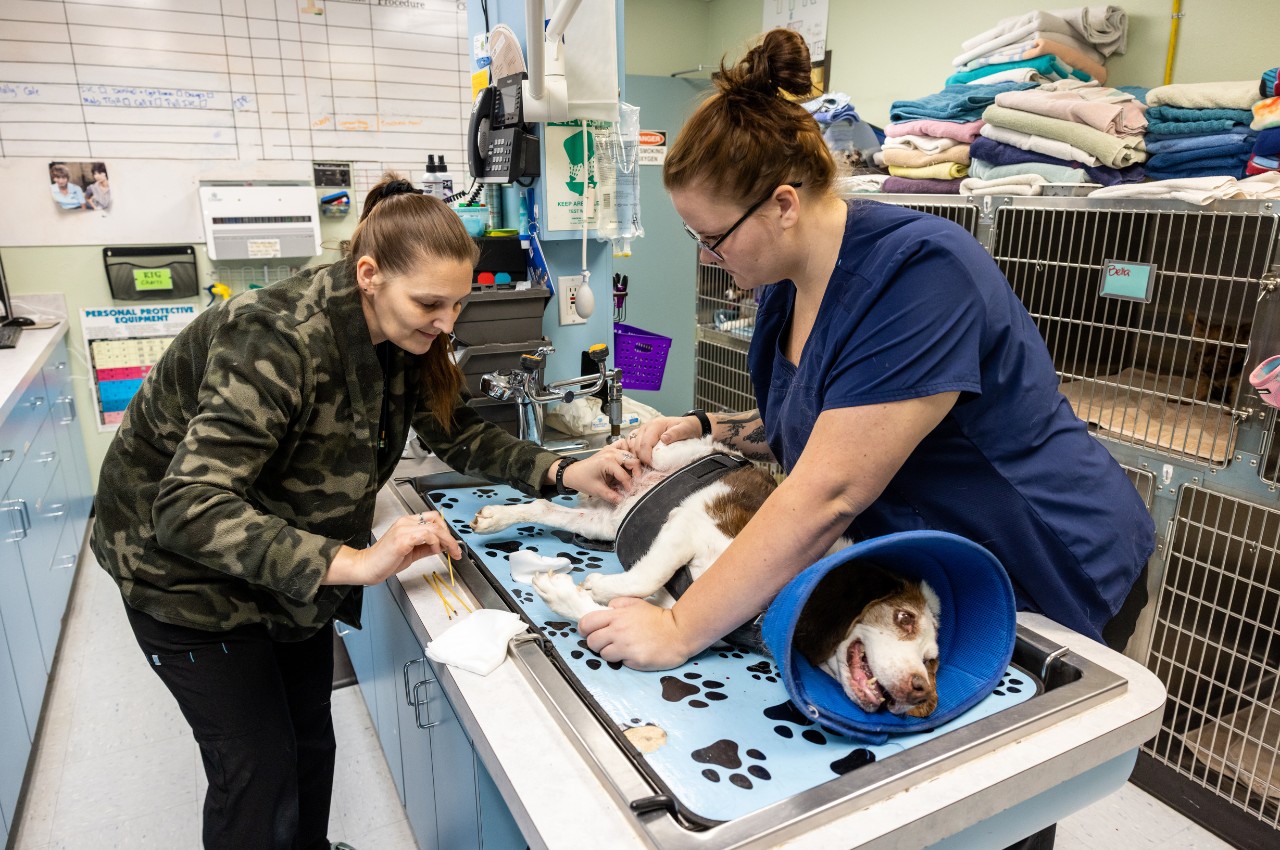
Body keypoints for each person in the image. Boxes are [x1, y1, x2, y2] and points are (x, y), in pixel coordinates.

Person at [90, 174, 641, 850]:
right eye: (431, 303)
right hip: (181, 576)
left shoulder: (406, 335)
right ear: (370, 274)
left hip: (283, 562)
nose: (446, 323)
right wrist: (350, 559)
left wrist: (560, 469)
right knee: (257, 769)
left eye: (459, 304)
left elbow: (456, 429)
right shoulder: (275, 336)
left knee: (310, 738)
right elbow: (188, 507)